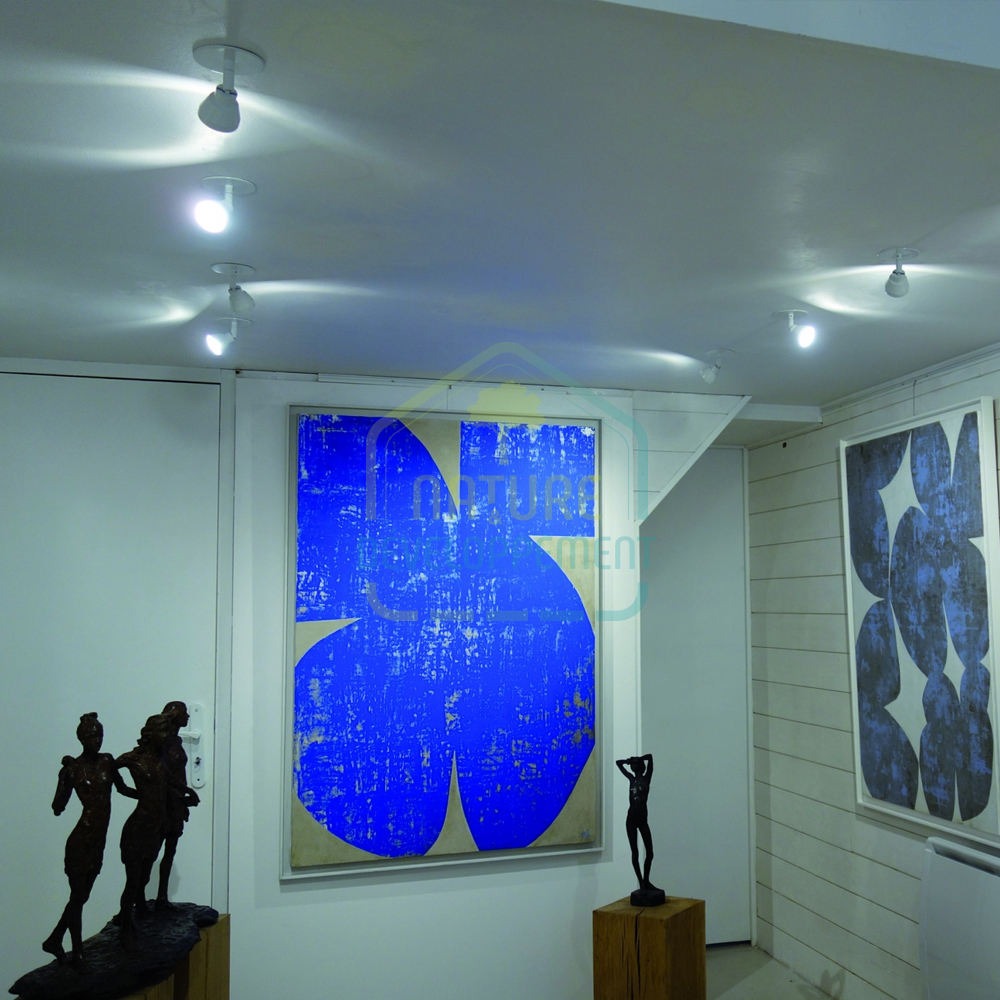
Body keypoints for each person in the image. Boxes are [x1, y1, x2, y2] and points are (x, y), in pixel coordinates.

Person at [43, 713, 136, 969]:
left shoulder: (107, 761)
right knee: (78, 897)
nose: (96, 740)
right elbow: (58, 807)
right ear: (81, 738)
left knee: (81, 896)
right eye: (91, 736)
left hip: (98, 840)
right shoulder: (72, 769)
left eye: (99, 735)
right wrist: (65, 775)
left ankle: (54, 940)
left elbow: (123, 789)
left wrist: (150, 796)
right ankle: (78, 952)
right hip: (81, 839)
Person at [115, 714, 173, 948]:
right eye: (163, 732)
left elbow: (167, 783)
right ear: (151, 733)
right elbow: (110, 767)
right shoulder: (133, 758)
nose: (167, 736)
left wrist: (187, 794)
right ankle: (125, 928)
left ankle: (135, 914)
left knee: (145, 878)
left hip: (155, 827)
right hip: (138, 827)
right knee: (132, 882)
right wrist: (127, 790)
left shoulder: (161, 757)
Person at [155, 701, 199, 909]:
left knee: (170, 850)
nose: (187, 716)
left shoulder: (176, 741)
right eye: (184, 712)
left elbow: (178, 775)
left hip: (176, 803)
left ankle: (162, 897)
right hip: (164, 803)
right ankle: (139, 899)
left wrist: (183, 802)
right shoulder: (161, 743)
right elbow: (162, 777)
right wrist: (181, 795)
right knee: (153, 852)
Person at [616, 753, 659, 894]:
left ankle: (646, 880)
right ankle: (641, 882)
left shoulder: (647, 778)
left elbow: (650, 757)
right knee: (635, 852)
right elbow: (618, 763)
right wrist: (629, 761)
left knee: (650, 853)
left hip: (642, 820)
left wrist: (638, 759)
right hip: (631, 819)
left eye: (635, 766)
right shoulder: (631, 779)